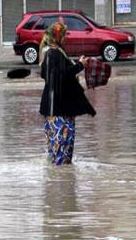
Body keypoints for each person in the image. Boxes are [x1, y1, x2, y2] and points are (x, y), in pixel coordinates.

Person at [39, 22, 96, 165]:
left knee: (56, 153)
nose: (66, 38)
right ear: (57, 36)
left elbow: (55, 73)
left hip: (54, 108)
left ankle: (57, 183)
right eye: (64, 35)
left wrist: (77, 64)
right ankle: (61, 185)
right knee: (62, 154)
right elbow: (61, 75)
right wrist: (80, 66)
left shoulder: (50, 52)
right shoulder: (54, 53)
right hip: (60, 109)